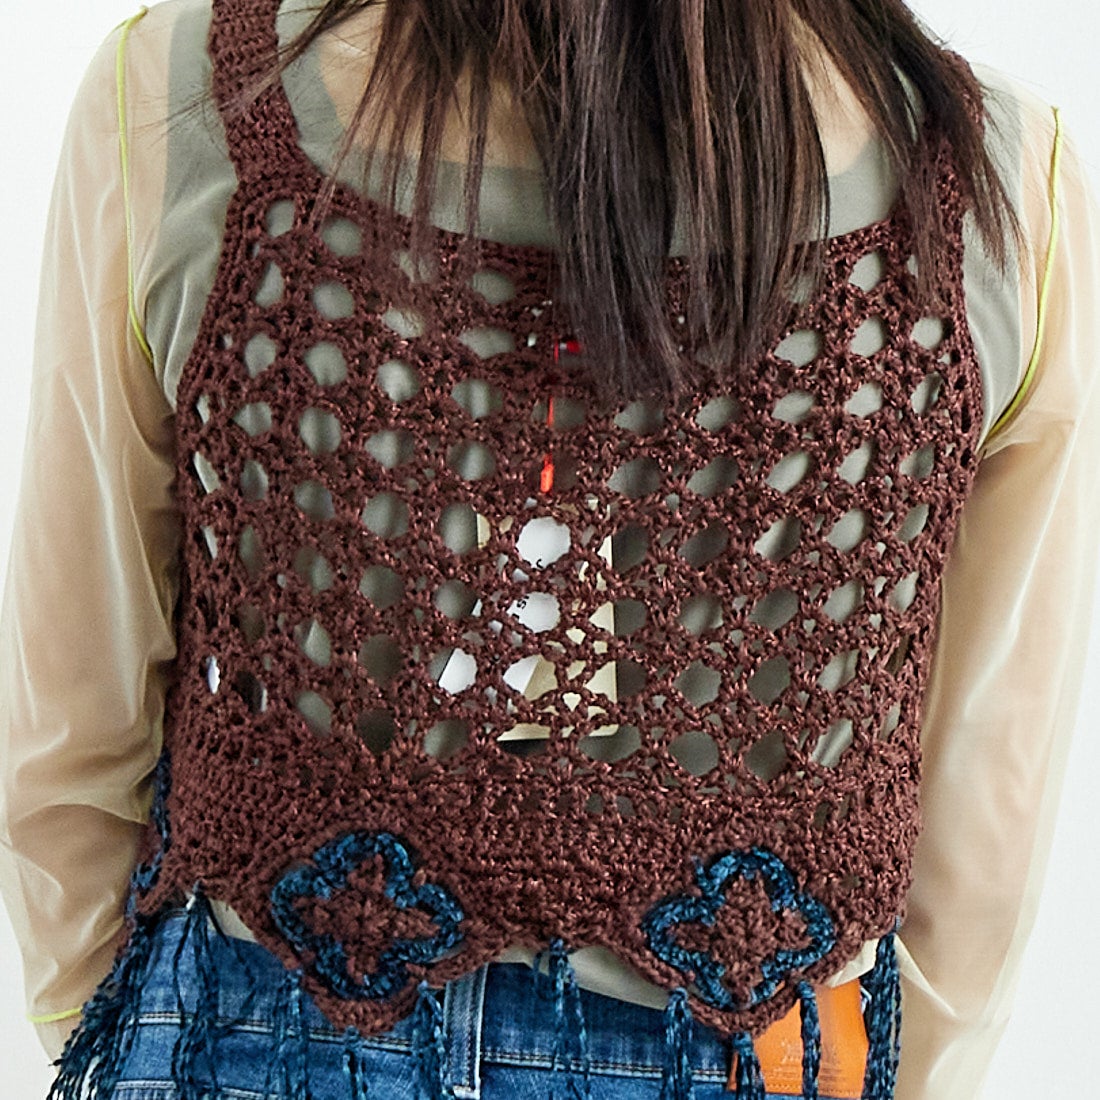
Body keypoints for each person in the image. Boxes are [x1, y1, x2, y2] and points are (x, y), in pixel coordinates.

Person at [1, 1, 1098, 1098]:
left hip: (256, 1023)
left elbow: (69, 718)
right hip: (734, 1037)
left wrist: (117, 1032)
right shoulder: (1005, 183)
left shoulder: (178, 95)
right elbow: (978, 838)